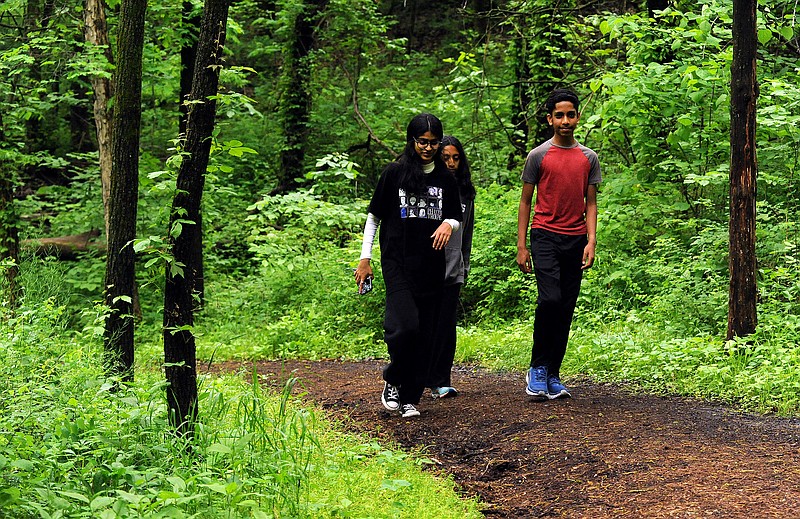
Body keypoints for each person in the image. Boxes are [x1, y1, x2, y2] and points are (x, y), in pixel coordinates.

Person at [354, 114, 463, 418]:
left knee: (425, 335)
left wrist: (448, 225)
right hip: (397, 261)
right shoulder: (395, 173)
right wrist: (365, 259)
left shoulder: (445, 179)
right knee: (405, 327)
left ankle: (409, 397)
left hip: (431, 265)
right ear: (412, 141)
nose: (428, 148)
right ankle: (393, 379)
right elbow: (374, 217)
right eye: (422, 142)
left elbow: (456, 216)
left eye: (433, 142)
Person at [516, 88, 601, 400]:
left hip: (575, 238)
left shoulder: (588, 158)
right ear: (550, 119)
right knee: (550, 300)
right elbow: (526, 201)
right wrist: (522, 245)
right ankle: (537, 367)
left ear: (577, 117)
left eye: (570, 114)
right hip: (544, 235)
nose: (565, 120)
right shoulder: (538, 156)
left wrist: (591, 240)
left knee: (565, 306)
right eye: (559, 115)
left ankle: (553, 372)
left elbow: (590, 203)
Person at [427, 135, 476, 399]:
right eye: (445, 157)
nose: (451, 162)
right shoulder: (428, 187)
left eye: (456, 157)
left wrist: (464, 266)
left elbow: (466, 233)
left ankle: (440, 380)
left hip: (453, 267)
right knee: (424, 322)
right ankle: (415, 374)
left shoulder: (466, 193)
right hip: (428, 265)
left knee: (446, 324)